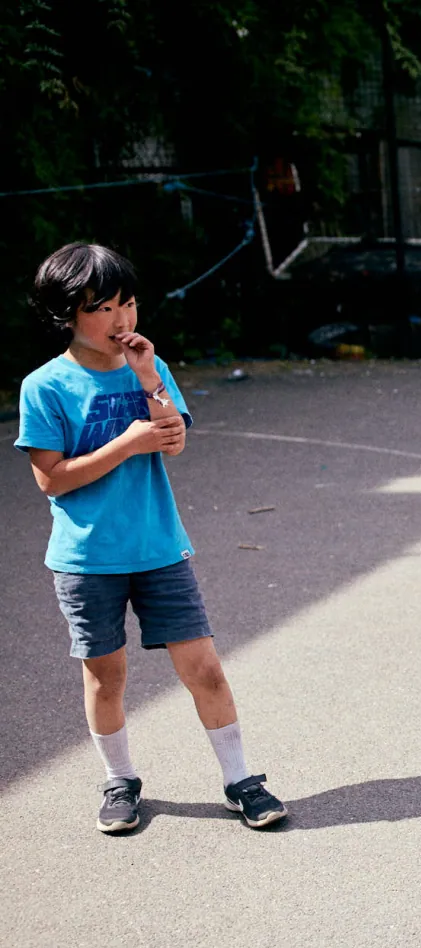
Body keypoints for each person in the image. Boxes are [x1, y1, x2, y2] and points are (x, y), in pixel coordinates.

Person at [15, 243, 286, 833]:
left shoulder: (151, 368)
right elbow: (50, 479)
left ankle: (242, 780)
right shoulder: (45, 386)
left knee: (206, 670)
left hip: (160, 547)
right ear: (67, 314)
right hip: (87, 560)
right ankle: (120, 781)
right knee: (105, 677)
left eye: (129, 304)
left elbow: (173, 439)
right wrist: (125, 443)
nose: (122, 321)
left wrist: (147, 378)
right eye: (103, 308)